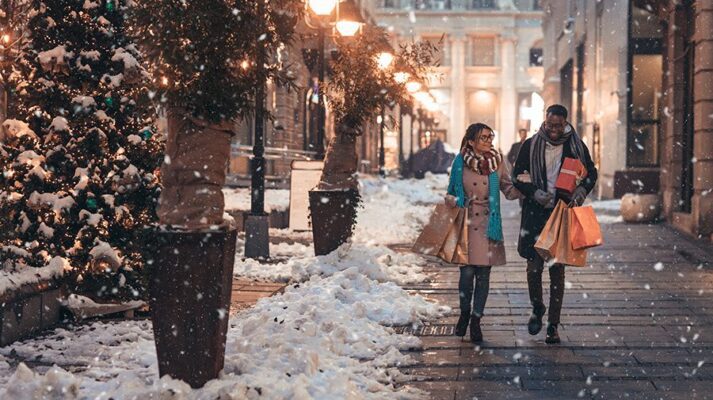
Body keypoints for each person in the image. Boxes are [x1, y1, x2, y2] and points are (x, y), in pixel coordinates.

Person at [511, 104, 598, 344]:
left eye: (558, 126)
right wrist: (533, 192)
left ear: (565, 123)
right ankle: (538, 308)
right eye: (550, 125)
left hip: (561, 215)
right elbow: (516, 175)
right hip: (535, 215)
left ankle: (553, 326)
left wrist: (581, 190)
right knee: (533, 269)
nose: (553, 130)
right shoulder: (531, 144)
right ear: (545, 121)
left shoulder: (575, 145)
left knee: (556, 271)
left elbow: (591, 173)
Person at [445, 123, 522, 343]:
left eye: (490, 137)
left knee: (484, 275)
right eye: (483, 138)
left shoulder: (497, 162)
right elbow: (450, 192)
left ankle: (476, 320)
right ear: (471, 141)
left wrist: (523, 187)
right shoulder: (460, 161)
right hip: (467, 222)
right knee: (467, 273)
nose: (488, 141)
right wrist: (454, 200)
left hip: (489, 222)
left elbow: (507, 188)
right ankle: (464, 314)